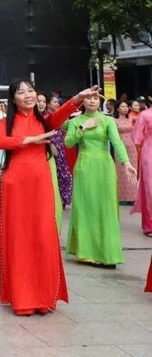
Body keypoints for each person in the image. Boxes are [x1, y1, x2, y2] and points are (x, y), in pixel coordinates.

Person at [0, 80, 100, 316]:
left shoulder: (44, 121)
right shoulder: (5, 122)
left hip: (41, 184)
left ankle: (43, 296)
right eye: (22, 92)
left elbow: (62, 113)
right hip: (15, 185)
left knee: (43, 235)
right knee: (19, 238)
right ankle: (23, 298)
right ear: (13, 99)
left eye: (31, 90)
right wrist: (29, 141)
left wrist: (79, 97)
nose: (28, 95)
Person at [65, 96, 135, 267]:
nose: (92, 101)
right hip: (84, 166)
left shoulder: (107, 120)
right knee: (86, 207)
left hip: (105, 166)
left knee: (106, 208)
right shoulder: (77, 121)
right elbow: (68, 143)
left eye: (95, 98)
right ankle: (87, 252)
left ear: (100, 102)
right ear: (83, 102)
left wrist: (126, 163)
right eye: (88, 98)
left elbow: (116, 141)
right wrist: (83, 128)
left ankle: (107, 253)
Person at [132, 106, 152, 237]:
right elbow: (136, 138)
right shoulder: (145, 115)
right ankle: (149, 225)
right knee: (150, 188)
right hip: (149, 153)